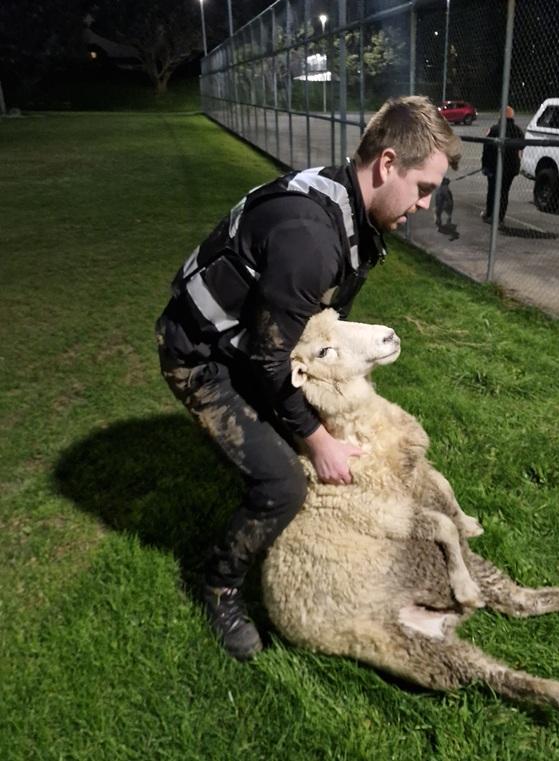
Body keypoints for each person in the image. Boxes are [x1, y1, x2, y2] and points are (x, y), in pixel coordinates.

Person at [155, 96, 462, 660]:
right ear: (387, 163)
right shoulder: (312, 239)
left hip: (246, 347)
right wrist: (317, 441)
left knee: (306, 434)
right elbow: (272, 361)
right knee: (285, 482)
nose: (424, 204)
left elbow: (311, 334)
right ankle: (219, 587)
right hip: (200, 358)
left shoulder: (347, 206)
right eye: (422, 188)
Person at [480, 105, 524, 225]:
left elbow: (486, 147)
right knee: (504, 192)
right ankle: (499, 217)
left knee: (493, 191)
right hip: (511, 167)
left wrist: (484, 165)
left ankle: (490, 214)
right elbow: (522, 146)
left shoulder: (494, 129)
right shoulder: (517, 130)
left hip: (495, 166)